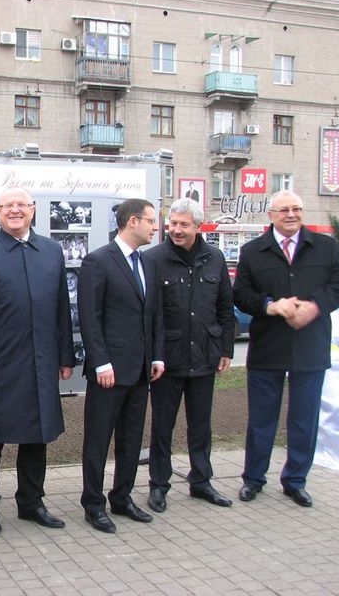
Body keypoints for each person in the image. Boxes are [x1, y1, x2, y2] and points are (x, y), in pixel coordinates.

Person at [0, 187, 75, 535]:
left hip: (42, 361)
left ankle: (31, 501)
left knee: (36, 436)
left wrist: (65, 355)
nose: (15, 210)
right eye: (7, 206)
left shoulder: (52, 251)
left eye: (21, 205)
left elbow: (61, 309)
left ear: (33, 210)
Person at [233, 190, 339, 507]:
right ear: (270, 214)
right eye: (284, 209)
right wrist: (270, 306)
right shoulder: (252, 251)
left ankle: (296, 480)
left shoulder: (325, 247)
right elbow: (241, 294)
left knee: (304, 420)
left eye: (296, 209)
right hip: (267, 348)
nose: (291, 214)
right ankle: (253, 479)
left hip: (310, 347)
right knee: (261, 420)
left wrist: (315, 307)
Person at [77, 198, 164, 533]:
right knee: (98, 440)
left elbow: (152, 314)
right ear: (132, 221)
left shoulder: (147, 263)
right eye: (150, 220)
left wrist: (156, 356)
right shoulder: (98, 261)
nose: (155, 227)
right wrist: (101, 363)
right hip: (108, 373)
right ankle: (93, 503)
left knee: (131, 438)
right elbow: (90, 317)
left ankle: (122, 496)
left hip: (141, 370)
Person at [144, 197, 235, 514]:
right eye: (172, 224)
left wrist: (226, 348)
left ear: (198, 226)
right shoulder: (154, 259)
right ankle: (158, 485)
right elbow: (148, 314)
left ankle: (201, 481)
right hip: (167, 361)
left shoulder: (215, 258)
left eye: (184, 224)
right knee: (162, 428)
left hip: (205, 358)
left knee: (201, 425)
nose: (176, 230)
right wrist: (153, 357)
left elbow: (225, 308)